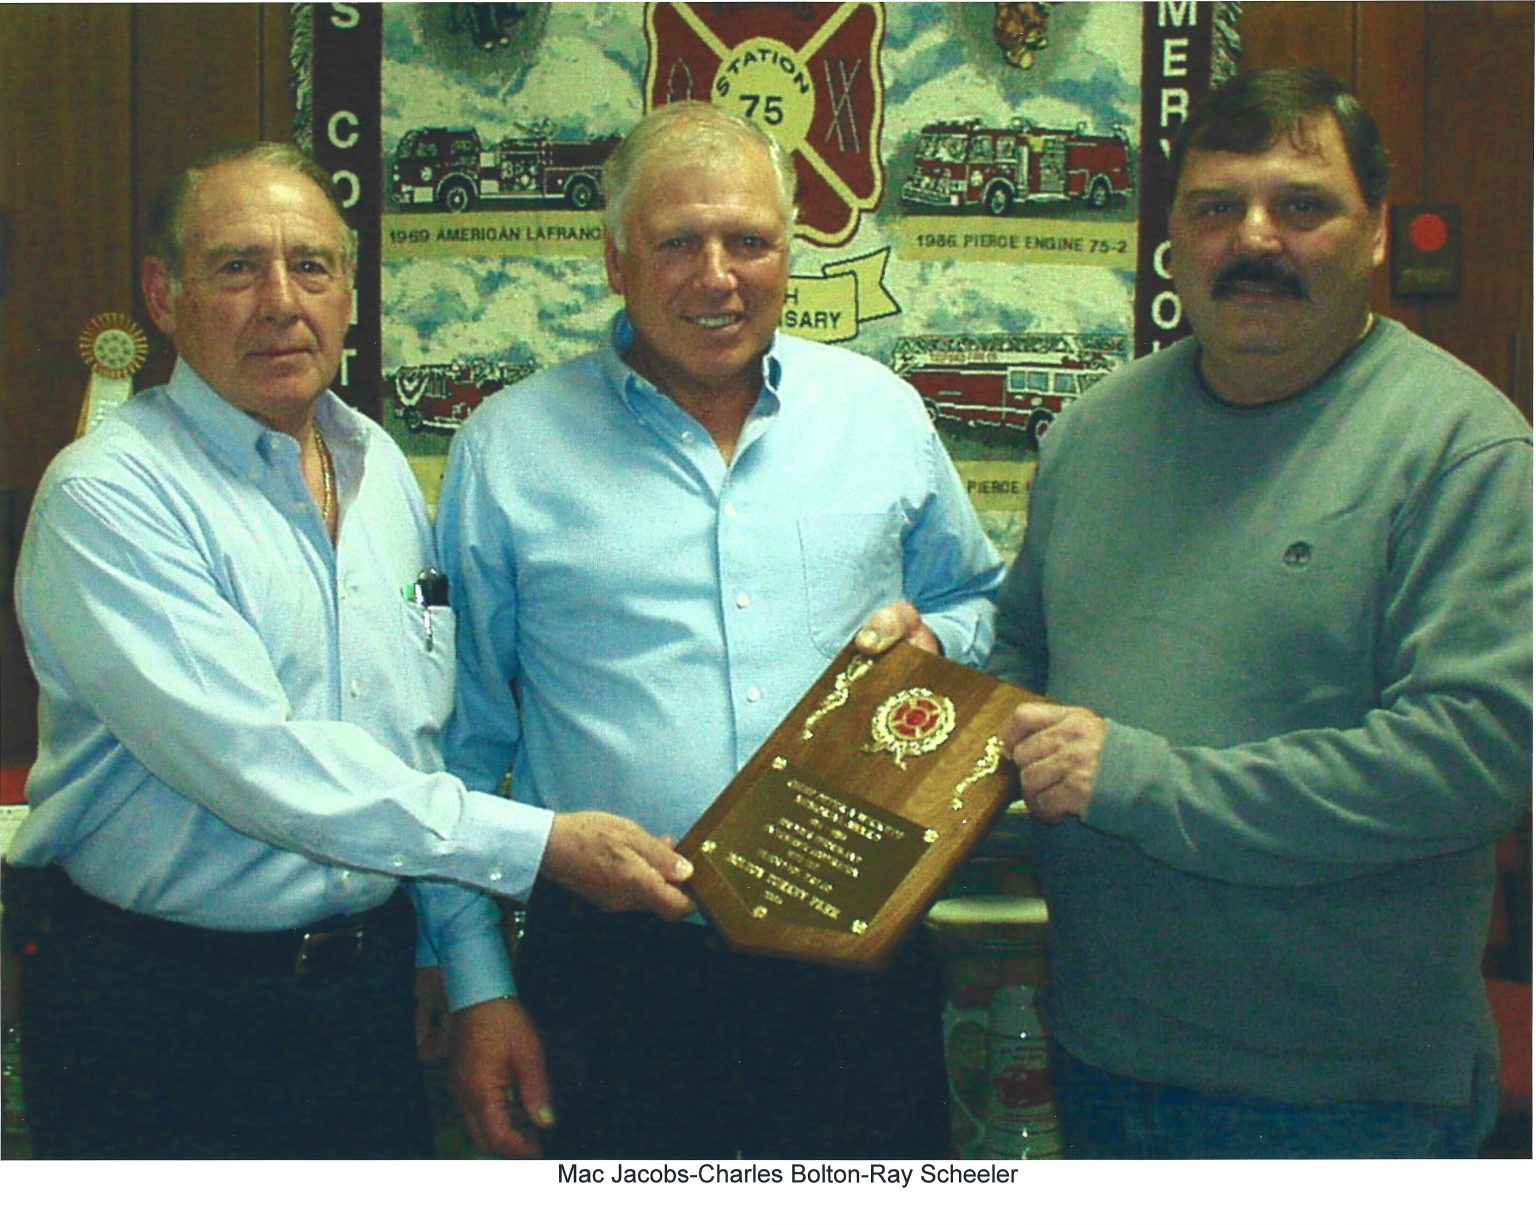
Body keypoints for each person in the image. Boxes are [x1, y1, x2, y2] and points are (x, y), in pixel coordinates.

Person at [2, 143, 695, 1160]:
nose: (281, 302)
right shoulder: (109, 497)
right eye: (237, 267)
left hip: (360, 1008)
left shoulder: (381, 477)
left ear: (350, 293)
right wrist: (539, 843)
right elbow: (261, 765)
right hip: (159, 1009)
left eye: (312, 266)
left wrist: (446, 952)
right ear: (165, 294)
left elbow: (415, 738)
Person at [437, 101, 1005, 1159]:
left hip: (857, 972)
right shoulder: (507, 451)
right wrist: (478, 989)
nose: (717, 276)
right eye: (677, 243)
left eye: (749, 240)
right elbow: (461, 748)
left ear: (791, 251)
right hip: (615, 981)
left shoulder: (879, 417)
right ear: (615, 259)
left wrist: (938, 646)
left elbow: (985, 606)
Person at [990, 66, 1532, 1159]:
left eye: (1301, 205)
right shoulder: (1095, 432)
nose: (1254, 240)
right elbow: (1021, 658)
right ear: (1174, 239)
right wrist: (917, 686)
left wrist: (1140, 780)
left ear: (1376, 231)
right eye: (1215, 207)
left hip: (1346, 1098)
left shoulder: (1463, 448)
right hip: (1101, 1052)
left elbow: (1474, 757)